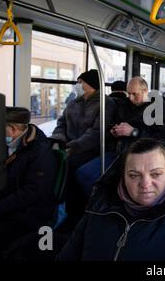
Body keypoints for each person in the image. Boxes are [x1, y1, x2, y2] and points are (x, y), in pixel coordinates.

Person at [57, 138, 165, 261]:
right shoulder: (99, 209)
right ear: (122, 177)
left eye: (156, 174)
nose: (145, 184)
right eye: (134, 175)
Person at [75, 77, 165, 196]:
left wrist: (134, 132)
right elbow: (110, 129)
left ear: (145, 90)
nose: (130, 98)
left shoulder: (160, 108)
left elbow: (162, 140)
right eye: (129, 93)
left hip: (143, 157)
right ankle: (98, 204)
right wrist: (113, 132)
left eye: (134, 94)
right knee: (82, 173)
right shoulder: (123, 105)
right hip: (119, 152)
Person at [0, 107, 56, 260]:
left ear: (12, 128)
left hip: (29, 212)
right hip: (10, 202)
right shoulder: (10, 144)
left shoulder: (39, 151)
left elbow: (32, 193)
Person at [50, 69, 116, 225]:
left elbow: (97, 133)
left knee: (70, 166)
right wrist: (57, 140)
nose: (77, 85)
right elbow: (61, 124)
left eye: (81, 82)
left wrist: (74, 147)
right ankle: (56, 205)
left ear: (91, 84)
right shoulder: (73, 102)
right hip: (69, 146)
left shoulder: (106, 104)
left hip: (92, 148)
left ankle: (74, 210)